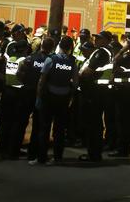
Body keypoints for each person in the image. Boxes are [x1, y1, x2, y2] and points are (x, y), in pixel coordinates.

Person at [34, 36, 78, 165]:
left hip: (49, 97)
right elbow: (75, 82)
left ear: (59, 45)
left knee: (44, 128)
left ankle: (41, 157)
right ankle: (57, 157)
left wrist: (39, 97)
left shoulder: (51, 59)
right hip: (63, 99)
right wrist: (71, 95)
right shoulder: (72, 62)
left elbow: (42, 80)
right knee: (59, 130)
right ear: (71, 47)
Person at [78, 31, 113, 162]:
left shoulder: (101, 52)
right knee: (94, 123)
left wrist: (79, 77)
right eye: (96, 38)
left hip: (95, 93)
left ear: (106, 40)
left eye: (99, 38)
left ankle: (93, 153)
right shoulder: (102, 51)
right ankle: (93, 152)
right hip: (96, 92)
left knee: (93, 124)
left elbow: (88, 72)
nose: (96, 40)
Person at [109, 33, 130, 157]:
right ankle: (124, 148)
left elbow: (114, 62)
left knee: (122, 122)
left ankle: (122, 149)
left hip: (124, 91)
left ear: (128, 43)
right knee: (126, 121)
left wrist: (122, 50)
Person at [21, 36, 54, 164]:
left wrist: (25, 83)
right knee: (38, 126)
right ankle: (33, 152)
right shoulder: (51, 60)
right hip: (41, 95)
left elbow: (20, 72)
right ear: (51, 47)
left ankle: (13, 150)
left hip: (28, 92)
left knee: (21, 121)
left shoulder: (31, 58)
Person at [0, 38, 31, 159]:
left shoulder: (10, 59)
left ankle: (3, 148)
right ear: (25, 49)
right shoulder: (25, 61)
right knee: (18, 123)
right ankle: (13, 151)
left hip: (8, 92)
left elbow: (1, 75)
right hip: (19, 94)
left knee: (6, 122)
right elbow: (25, 77)